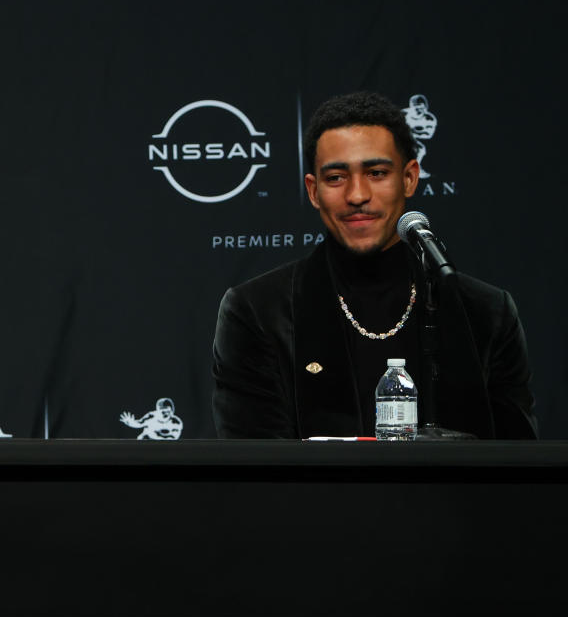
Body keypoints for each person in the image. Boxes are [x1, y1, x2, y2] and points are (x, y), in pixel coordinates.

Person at [211, 91, 536, 440]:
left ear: (410, 178)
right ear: (313, 190)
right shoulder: (257, 311)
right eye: (336, 177)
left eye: (377, 172)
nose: (356, 195)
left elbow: (516, 466)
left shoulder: (485, 313)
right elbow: (256, 473)